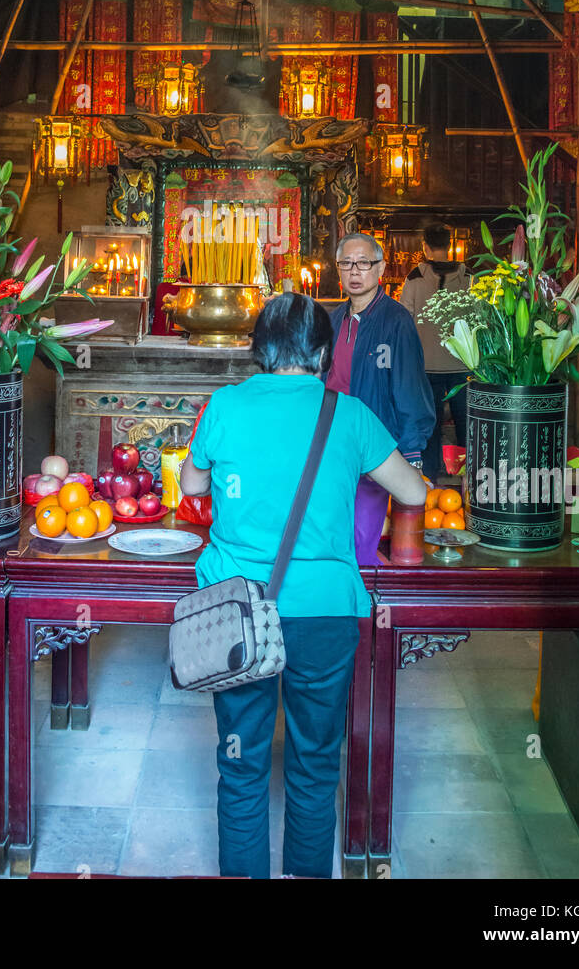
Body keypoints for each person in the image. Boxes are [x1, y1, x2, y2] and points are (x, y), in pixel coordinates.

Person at [179, 292, 427, 880]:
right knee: (315, 764)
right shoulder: (349, 413)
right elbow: (414, 492)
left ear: (258, 348)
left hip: (237, 611)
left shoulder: (225, 405)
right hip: (325, 614)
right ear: (321, 353)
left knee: (240, 764)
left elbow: (192, 483)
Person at [326, 232, 435, 566]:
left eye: (363, 263)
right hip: (332, 443)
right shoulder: (332, 320)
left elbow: (410, 389)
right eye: (347, 264)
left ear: (380, 268)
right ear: (339, 269)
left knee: (361, 534)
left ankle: (356, 606)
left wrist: (411, 452)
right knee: (331, 529)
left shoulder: (396, 321)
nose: (355, 272)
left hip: (375, 443)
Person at [399, 223, 470, 482]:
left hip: (426, 368)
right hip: (463, 366)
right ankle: (468, 479)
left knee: (430, 427)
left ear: (425, 247)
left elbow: (404, 320)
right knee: (466, 427)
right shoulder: (468, 277)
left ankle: (429, 479)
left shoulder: (414, 279)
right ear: (449, 246)